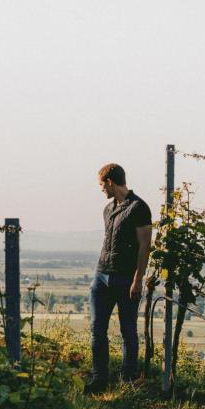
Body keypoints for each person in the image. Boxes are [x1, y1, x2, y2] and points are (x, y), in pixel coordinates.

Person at [83, 163, 153, 394]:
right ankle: (98, 377)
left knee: (128, 331)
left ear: (110, 182)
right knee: (97, 329)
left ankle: (128, 378)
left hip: (125, 278)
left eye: (102, 185)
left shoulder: (139, 207)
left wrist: (138, 279)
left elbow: (145, 246)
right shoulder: (107, 209)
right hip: (101, 275)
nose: (101, 190)